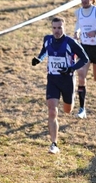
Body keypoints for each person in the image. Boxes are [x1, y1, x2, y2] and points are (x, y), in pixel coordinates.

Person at [32, 17, 89, 154]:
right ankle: (54, 144)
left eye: (59, 28)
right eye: (54, 28)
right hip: (52, 80)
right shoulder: (48, 39)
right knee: (52, 111)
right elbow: (44, 50)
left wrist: (71, 68)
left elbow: (85, 58)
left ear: (64, 28)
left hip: (67, 81)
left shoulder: (71, 42)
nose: (57, 31)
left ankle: (76, 101)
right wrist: (39, 59)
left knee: (68, 110)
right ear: (51, 28)